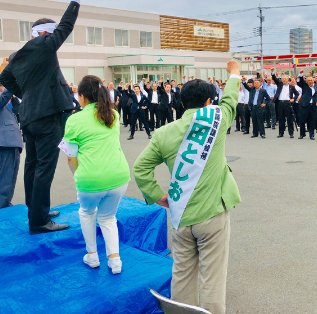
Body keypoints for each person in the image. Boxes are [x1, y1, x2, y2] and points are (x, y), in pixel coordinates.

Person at [134, 60, 242, 314]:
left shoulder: (163, 133)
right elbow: (230, 101)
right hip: (213, 213)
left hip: (180, 215)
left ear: (182, 103)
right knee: (212, 279)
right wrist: (234, 74)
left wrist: (157, 195)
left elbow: (140, 169)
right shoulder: (218, 120)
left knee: (182, 274)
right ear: (208, 104)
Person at [0, 0, 86, 234]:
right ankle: (39, 222)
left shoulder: (18, 55)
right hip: (48, 115)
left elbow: (4, 79)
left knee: (32, 166)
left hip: (29, 117)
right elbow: (65, 26)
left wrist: (25, 93)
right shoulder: (45, 44)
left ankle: (35, 211)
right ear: (45, 33)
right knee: (44, 168)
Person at [62, 75, 130, 275]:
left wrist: (78, 175)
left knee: (87, 212)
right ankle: (115, 260)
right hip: (119, 177)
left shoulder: (74, 120)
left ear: (82, 97)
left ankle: (92, 255)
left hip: (90, 179)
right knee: (108, 218)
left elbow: (70, 157)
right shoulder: (113, 115)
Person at [271, 72, 298, 138]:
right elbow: (275, 79)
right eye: (283, 79)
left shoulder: (291, 87)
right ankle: (281, 132)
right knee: (281, 118)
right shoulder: (280, 85)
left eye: (285, 79)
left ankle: (291, 133)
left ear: (288, 80)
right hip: (280, 103)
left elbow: (297, 94)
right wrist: (273, 73)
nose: (284, 80)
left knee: (289, 118)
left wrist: (293, 99)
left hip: (287, 103)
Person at [296, 73, 317, 140]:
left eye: (311, 80)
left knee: (312, 121)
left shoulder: (316, 87)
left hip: (313, 106)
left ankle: (311, 135)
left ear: (313, 81)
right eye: (308, 80)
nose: (310, 82)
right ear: (306, 82)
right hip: (305, 105)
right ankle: (302, 134)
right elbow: (301, 81)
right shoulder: (304, 86)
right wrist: (300, 74)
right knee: (302, 120)